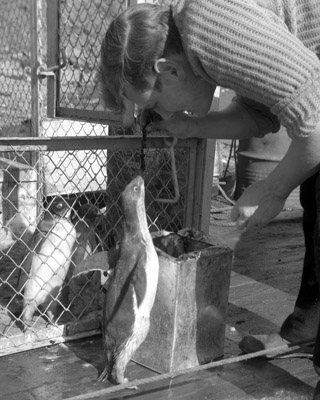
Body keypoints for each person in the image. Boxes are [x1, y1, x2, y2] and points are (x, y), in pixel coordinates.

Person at [98, 0, 320, 374]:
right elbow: (261, 115)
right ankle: (307, 331)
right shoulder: (200, 44)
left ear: (167, 69)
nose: (162, 115)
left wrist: (272, 189)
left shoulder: (208, 26)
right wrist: (192, 127)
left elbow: (316, 126)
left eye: (154, 102)